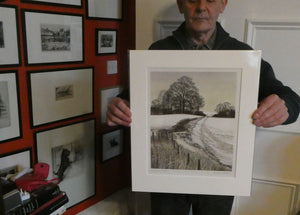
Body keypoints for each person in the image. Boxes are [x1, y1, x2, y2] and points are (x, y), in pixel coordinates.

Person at [106, 0, 300, 214]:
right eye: (192, 0)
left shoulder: (243, 55)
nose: (201, 7)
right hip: (165, 179)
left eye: (210, 0)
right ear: (181, 5)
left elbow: (290, 98)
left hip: (220, 183)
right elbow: (134, 98)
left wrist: (286, 107)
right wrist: (120, 105)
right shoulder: (158, 50)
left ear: (223, 5)